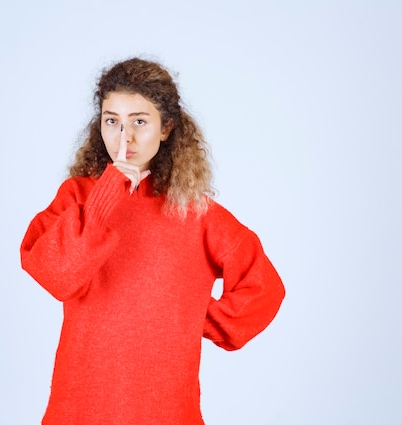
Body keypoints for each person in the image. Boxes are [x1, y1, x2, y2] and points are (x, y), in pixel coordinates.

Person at [20, 57, 285, 425]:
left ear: (166, 128)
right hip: (81, 403)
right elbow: (57, 276)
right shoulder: (78, 197)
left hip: (166, 407)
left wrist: (191, 315)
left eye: (139, 122)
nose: (123, 138)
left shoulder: (195, 212)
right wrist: (107, 194)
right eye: (112, 120)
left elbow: (263, 288)